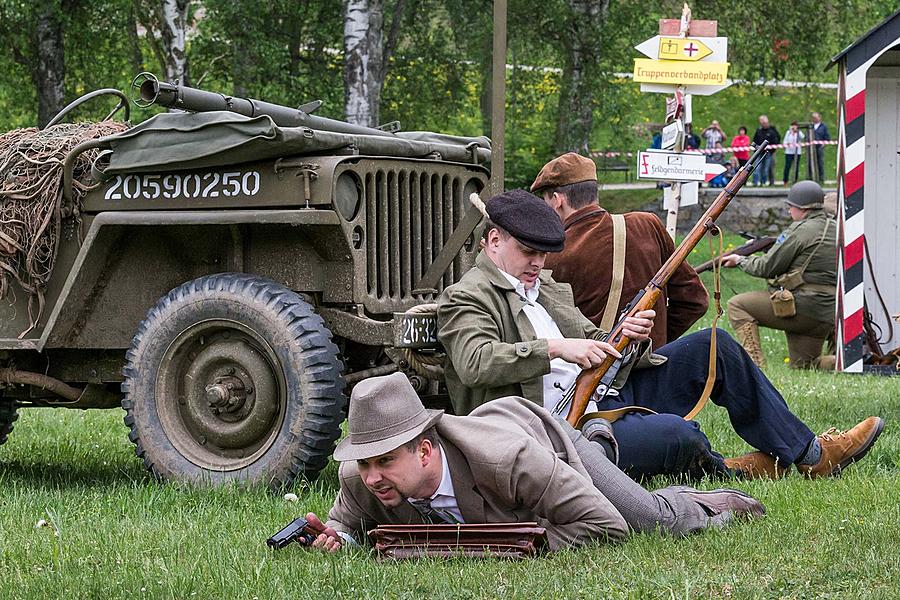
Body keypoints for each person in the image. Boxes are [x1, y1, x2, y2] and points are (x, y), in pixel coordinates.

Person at [436, 189, 884, 481]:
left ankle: (809, 455)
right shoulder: (464, 297)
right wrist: (556, 347)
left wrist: (624, 337)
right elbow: (476, 362)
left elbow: (597, 342)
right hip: (552, 432)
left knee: (716, 346)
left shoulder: (545, 288)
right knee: (680, 436)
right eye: (527, 251)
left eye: (543, 253)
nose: (538, 263)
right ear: (493, 242)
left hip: (601, 394)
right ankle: (729, 472)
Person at [306, 373, 765, 552]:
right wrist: (337, 539)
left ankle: (710, 500)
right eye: (363, 462)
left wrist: (516, 548)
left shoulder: (508, 461)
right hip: (517, 447)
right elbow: (345, 523)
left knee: (649, 520)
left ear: (424, 450)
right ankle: (601, 437)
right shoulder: (359, 479)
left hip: (550, 443)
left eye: (383, 461)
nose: (372, 477)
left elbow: (605, 527)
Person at [533, 152, 707, 350]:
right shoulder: (646, 225)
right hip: (653, 372)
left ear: (557, 200)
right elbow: (695, 301)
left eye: (546, 201)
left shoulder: (550, 256)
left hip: (587, 376)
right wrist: (652, 343)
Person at [721, 181, 837, 370]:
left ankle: (755, 368)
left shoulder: (801, 230)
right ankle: (842, 363)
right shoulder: (835, 227)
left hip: (801, 308)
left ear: (803, 208)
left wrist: (740, 260)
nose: (790, 212)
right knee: (804, 366)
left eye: (791, 207)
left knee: (738, 304)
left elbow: (767, 267)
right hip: (826, 314)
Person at [752, 115, 780, 186]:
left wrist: (772, 150)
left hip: (768, 152)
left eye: (763, 122)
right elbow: (755, 140)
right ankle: (755, 182)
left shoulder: (772, 131)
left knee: (766, 169)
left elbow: (776, 140)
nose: (762, 124)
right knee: (757, 168)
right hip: (758, 152)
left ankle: (763, 182)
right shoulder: (759, 130)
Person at [810, 112, 830, 183]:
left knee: (820, 163)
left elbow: (827, 137)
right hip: (811, 147)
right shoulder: (811, 126)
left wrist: (824, 144)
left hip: (819, 147)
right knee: (810, 162)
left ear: (819, 117)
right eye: (813, 118)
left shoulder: (823, 127)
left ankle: (821, 178)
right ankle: (811, 177)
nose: (814, 119)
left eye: (816, 117)